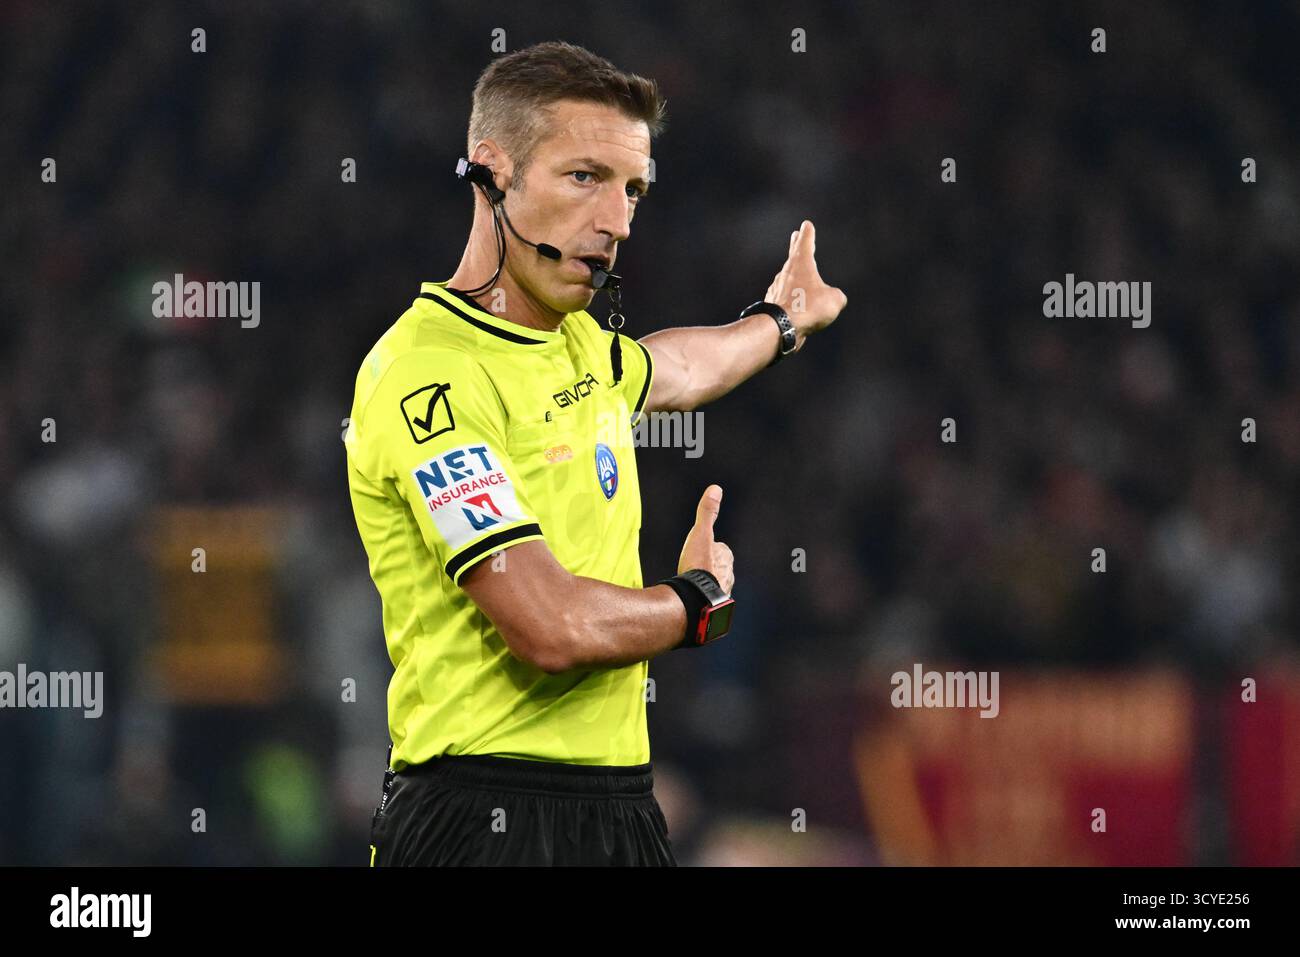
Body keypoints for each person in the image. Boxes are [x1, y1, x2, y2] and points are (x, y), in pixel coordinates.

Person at [346, 40, 846, 866]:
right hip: (480, 818)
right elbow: (546, 624)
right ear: (492, 170)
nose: (617, 222)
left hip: (618, 809)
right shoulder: (428, 376)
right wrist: (693, 604)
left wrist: (780, 321)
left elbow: (679, 366)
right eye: (585, 177)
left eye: (633, 190)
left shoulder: (581, 347)